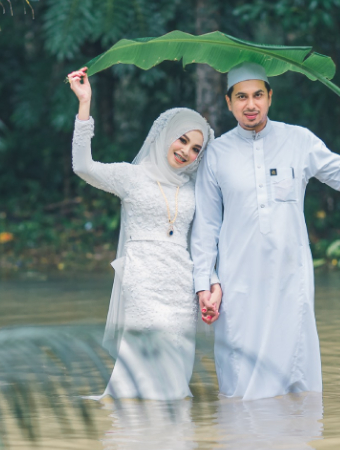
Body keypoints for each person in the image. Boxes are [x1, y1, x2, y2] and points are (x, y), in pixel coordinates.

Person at [191, 61, 340, 400]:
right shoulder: (216, 153)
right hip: (238, 281)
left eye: (258, 96)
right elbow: (206, 224)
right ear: (228, 102)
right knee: (240, 379)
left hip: (289, 277)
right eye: (241, 97)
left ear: (270, 97)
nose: (250, 105)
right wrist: (206, 283)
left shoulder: (299, 140)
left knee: (295, 375)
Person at [68, 67, 221, 400]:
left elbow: (205, 239)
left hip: (181, 282)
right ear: (166, 135)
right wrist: (85, 104)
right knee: (147, 354)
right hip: (143, 279)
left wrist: (208, 284)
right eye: (182, 140)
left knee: (175, 363)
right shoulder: (131, 176)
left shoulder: (195, 189)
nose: (186, 152)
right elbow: (82, 166)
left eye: (196, 148)